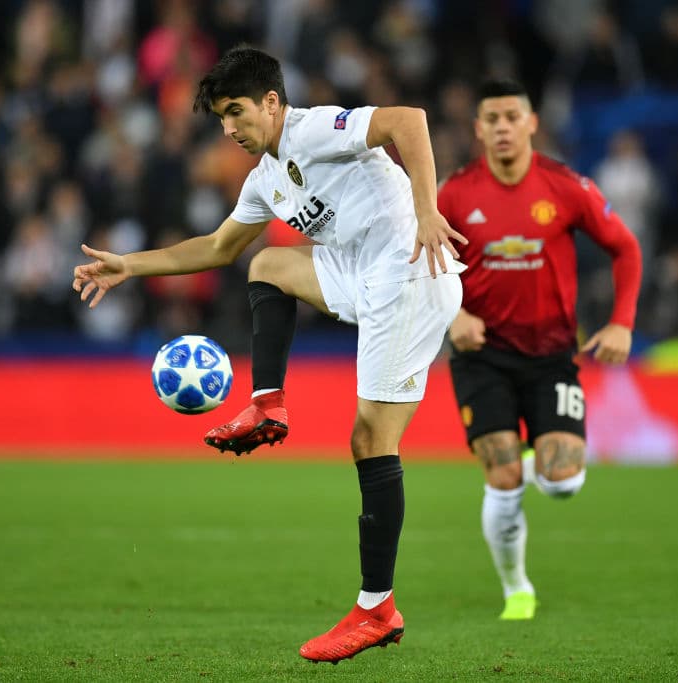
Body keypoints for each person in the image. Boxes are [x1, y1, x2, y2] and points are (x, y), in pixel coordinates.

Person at [71, 46, 466, 663]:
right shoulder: (265, 178)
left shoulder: (314, 128)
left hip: (410, 271)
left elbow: (407, 119)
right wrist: (131, 266)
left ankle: (376, 609)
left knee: (370, 440)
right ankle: (267, 403)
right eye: (221, 120)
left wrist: (425, 210)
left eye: (236, 112)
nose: (229, 130)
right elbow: (218, 247)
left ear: (272, 103)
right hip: (364, 273)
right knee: (269, 264)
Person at [436, 80, 641, 621]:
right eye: (492, 118)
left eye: (511, 116)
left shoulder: (566, 186)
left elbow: (626, 247)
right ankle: (516, 588)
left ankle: (535, 464)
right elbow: (418, 264)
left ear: (531, 123)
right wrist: (453, 315)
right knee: (501, 477)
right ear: (477, 129)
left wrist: (622, 323)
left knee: (564, 483)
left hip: (552, 355)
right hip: (482, 355)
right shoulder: (452, 195)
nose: (502, 127)